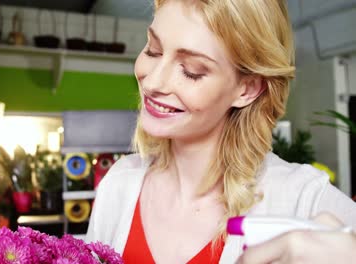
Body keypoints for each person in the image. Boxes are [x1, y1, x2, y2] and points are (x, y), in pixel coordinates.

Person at [85, 0, 356, 263]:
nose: (153, 81)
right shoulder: (118, 184)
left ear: (247, 88)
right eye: (153, 50)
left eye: (192, 71)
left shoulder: (303, 199)